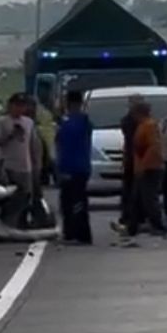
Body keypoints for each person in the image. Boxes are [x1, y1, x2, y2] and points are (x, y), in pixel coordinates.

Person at [0, 93, 42, 228]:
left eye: (22, 106)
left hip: (26, 166)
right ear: (10, 106)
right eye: (16, 106)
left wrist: (36, 164)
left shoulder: (28, 122)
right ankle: (7, 221)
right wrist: (10, 136)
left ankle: (21, 222)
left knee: (26, 195)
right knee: (10, 196)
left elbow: (32, 144)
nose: (19, 109)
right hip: (8, 166)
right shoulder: (1, 122)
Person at [56, 90, 93, 244]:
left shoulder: (68, 124)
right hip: (83, 167)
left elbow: (64, 148)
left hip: (71, 168)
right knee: (79, 200)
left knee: (71, 202)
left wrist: (61, 169)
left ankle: (75, 233)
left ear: (69, 104)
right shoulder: (85, 122)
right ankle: (79, 233)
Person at [127, 101, 166, 237]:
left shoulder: (148, 126)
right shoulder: (144, 125)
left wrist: (144, 165)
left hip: (150, 167)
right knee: (137, 198)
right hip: (143, 166)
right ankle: (132, 227)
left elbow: (152, 147)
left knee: (149, 199)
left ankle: (158, 225)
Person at [114, 93, 144, 233]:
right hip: (131, 158)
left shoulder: (146, 121)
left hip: (141, 159)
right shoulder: (128, 121)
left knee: (140, 190)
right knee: (128, 189)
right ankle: (128, 216)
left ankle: (139, 217)